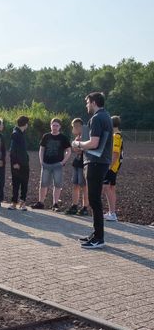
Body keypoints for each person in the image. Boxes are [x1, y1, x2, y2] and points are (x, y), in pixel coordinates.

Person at [72, 92, 113, 249]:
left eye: (88, 102)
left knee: (94, 200)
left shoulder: (96, 118)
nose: (86, 105)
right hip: (101, 162)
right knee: (95, 200)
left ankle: (98, 238)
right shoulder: (106, 116)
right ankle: (96, 234)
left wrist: (78, 145)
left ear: (94, 102)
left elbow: (94, 143)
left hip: (95, 162)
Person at [31, 118, 72, 211]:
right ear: (50, 126)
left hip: (58, 165)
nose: (55, 127)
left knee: (57, 184)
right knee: (43, 184)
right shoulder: (46, 136)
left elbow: (68, 151)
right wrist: (41, 161)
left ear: (60, 127)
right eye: (53, 125)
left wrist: (63, 162)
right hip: (46, 164)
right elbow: (41, 149)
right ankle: (41, 202)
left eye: (57, 125)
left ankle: (55, 204)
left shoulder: (63, 138)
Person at [65, 118, 89, 216]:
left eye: (74, 127)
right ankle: (74, 205)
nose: (73, 129)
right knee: (75, 185)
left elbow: (80, 149)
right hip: (77, 162)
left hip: (83, 163)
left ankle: (85, 207)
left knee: (84, 186)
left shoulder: (85, 137)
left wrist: (77, 146)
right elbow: (75, 149)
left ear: (78, 126)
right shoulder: (78, 137)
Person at [104, 115, 123, 222]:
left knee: (106, 188)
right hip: (114, 166)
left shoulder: (116, 136)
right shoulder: (117, 135)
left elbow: (115, 153)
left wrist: (109, 166)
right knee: (111, 188)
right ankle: (111, 211)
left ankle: (112, 213)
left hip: (111, 166)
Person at [9, 115, 30, 211]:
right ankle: (14, 203)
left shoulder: (22, 133)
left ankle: (22, 202)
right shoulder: (15, 134)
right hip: (17, 164)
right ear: (25, 124)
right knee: (16, 183)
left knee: (24, 183)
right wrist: (15, 163)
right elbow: (12, 151)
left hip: (24, 163)